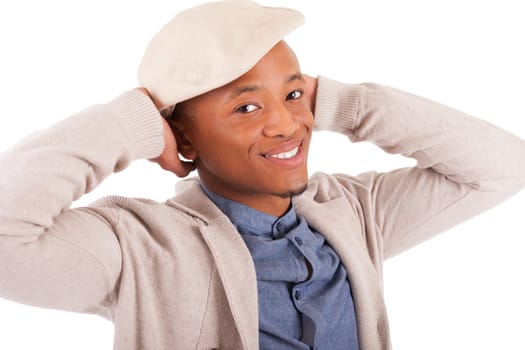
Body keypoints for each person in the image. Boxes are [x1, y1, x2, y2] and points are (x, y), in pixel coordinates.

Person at [0, 1, 524, 349]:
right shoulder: (137, 248)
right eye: (246, 108)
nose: (286, 124)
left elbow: (501, 166)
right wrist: (131, 122)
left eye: (294, 96)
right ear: (183, 138)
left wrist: (346, 105)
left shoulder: (356, 212)